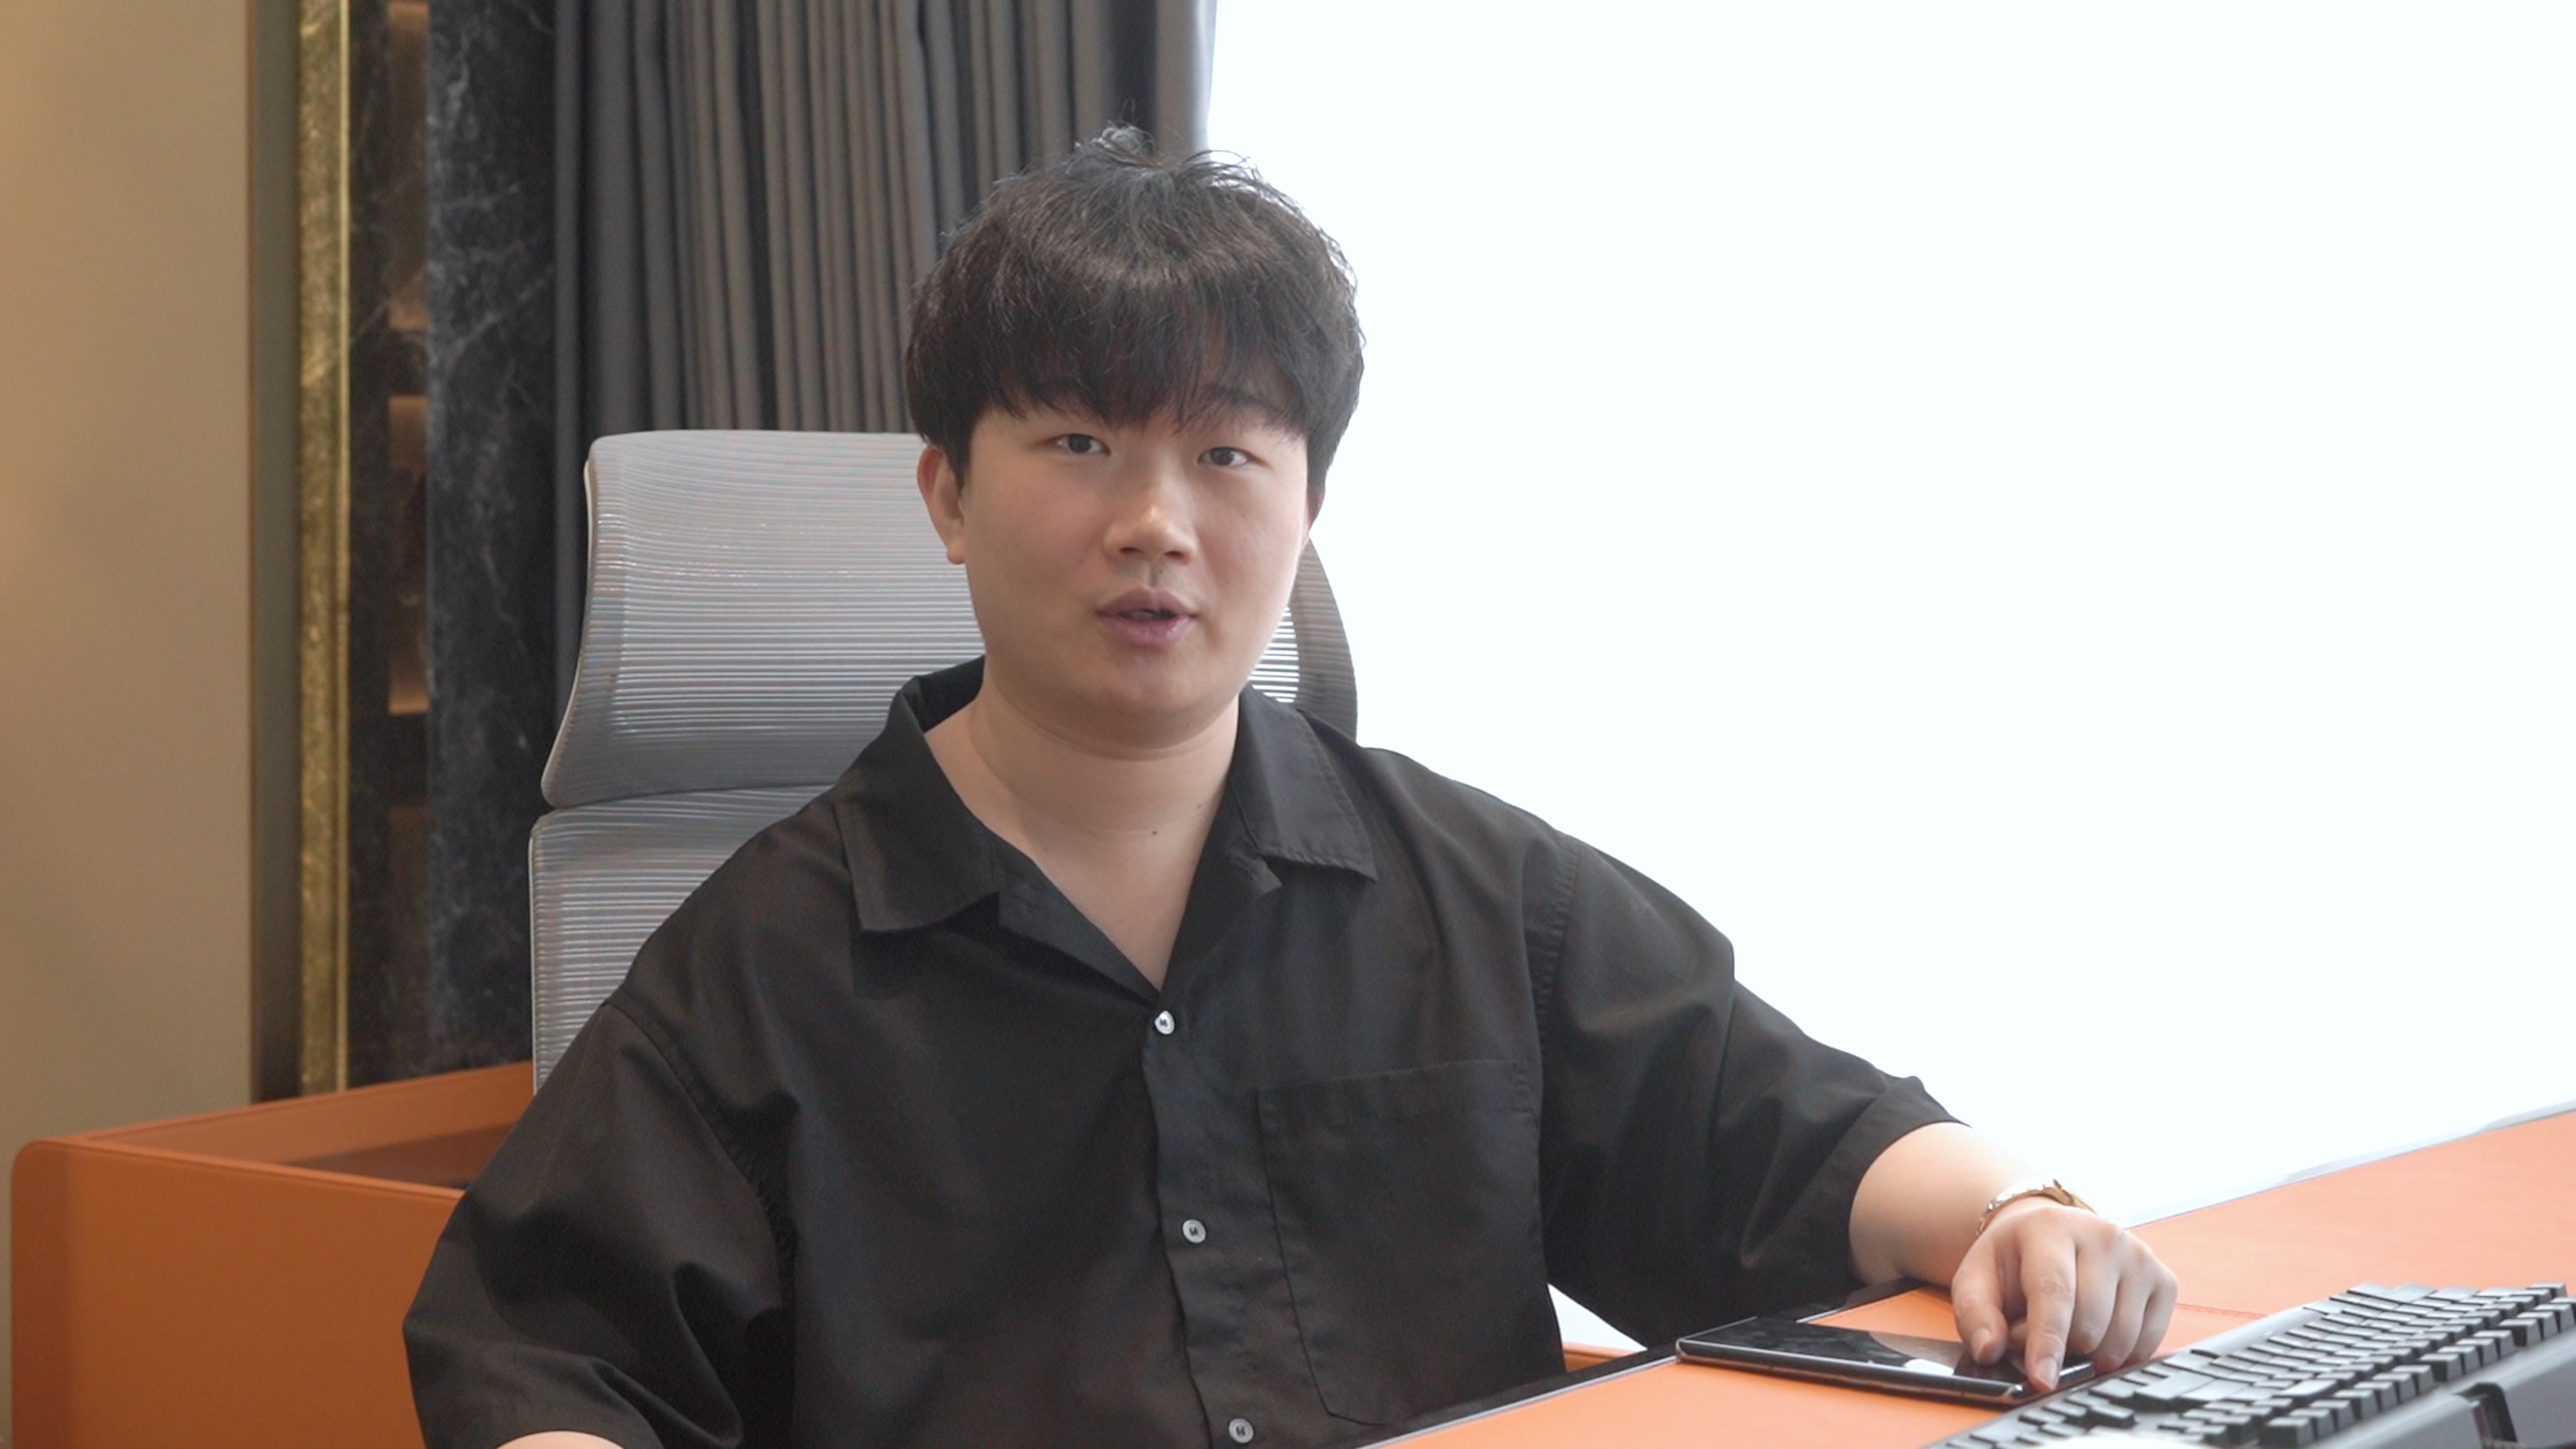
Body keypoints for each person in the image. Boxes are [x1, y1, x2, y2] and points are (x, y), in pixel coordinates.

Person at [405, 128, 2177, 1449]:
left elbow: (1786, 1134)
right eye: (1081, 442)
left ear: (1308, 503)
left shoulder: (1470, 892)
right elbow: (547, 1361)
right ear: (945, 495)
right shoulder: (766, 965)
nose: (1155, 522)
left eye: (1226, 453)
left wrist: (2019, 1218)